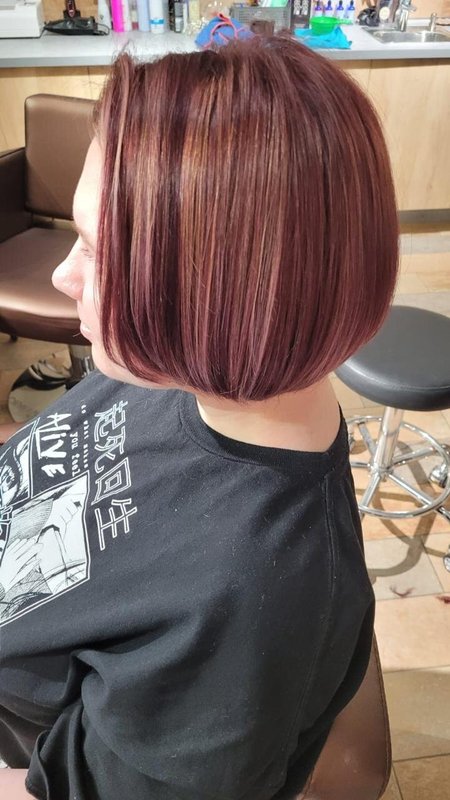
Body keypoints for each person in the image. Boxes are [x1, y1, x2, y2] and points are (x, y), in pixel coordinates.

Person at [0, 33, 398, 800]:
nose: (62, 275)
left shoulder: (242, 609)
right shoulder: (169, 372)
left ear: (213, 296)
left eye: (94, 250)